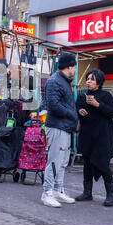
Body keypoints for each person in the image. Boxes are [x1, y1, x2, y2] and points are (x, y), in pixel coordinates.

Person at [75, 69, 113, 207]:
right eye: (87, 79)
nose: (88, 81)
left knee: (103, 163)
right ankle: (87, 192)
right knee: (87, 162)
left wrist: (97, 105)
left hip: (103, 135)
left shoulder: (105, 96)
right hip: (87, 134)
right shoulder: (82, 96)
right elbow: (76, 108)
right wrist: (79, 111)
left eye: (92, 79)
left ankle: (111, 194)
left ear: (99, 82)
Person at [41, 53, 78, 208]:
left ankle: (58, 190)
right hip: (57, 126)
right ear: (69, 66)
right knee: (55, 161)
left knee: (62, 162)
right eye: (74, 66)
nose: (75, 70)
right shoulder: (55, 81)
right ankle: (47, 193)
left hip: (64, 126)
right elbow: (54, 105)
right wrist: (72, 115)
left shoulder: (63, 81)